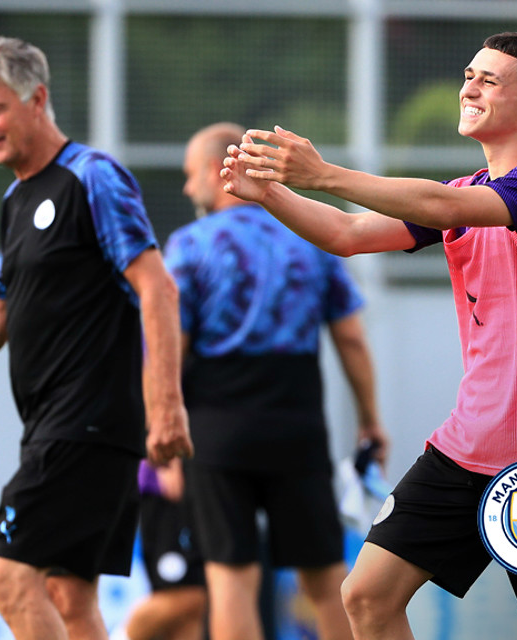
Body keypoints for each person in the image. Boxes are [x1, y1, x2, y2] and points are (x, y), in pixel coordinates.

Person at [222, 32, 517, 640]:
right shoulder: (465, 194)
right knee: (366, 596)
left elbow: (439, 208)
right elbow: (348, 234)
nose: (469, 87)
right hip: (470, 443)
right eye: (469, 75)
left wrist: (324, 172)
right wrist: (272, 194)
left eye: (489, 80)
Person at [0, 36, 193, 640]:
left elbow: (158, 289)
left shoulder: (92, 178)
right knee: (69, 596)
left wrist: (167, 405)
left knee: (5, 578)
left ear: (37, 99)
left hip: (88, 424)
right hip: (55, 425)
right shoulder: (18, 198)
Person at [168, 122, 388, 640]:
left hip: (215, 428)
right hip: (296, 423)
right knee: (324, 575)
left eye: (187, 175)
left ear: (211, 171)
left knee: (230, 578)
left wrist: (162, 426)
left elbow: (168, 348)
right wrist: (369, 421)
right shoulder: (306, 237)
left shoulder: (188, 245)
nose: (185, 188)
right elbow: (351, 339)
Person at [115, 459, 207, 640]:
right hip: (168, 483)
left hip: (196, 483)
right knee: (187, 592)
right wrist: (168, 458)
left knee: (191, 615)